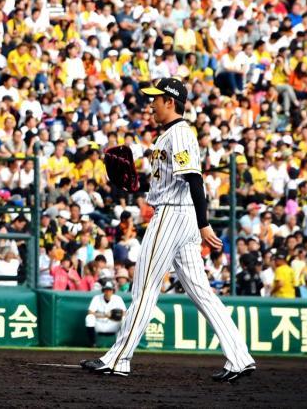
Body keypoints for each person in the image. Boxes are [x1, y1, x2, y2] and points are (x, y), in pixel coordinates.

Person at [81, 78, 256, 382]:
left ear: (170, 101)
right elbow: (174, 181)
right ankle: (240, 358)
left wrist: (203, 224)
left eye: (156, 99)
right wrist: (138, 186)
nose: (151, 104)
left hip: (174, 216)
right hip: (178, 215)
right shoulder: (169, 135)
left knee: (144, 288)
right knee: (201, 292)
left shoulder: (181, 134)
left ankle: (118, 359)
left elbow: (194, 179)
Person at [86, 279, 127, 346]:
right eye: (106, 290)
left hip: (113, 324)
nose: (108, 292)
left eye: (110, 290)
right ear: (103, 290)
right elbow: (90, 312)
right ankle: (92, 344)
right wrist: (105, 315)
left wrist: (113, 315)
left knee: (124, 319)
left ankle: (122, 344)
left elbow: (125, 313)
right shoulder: (97, 298)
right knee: (89, 318)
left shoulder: (118, 298)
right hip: (99, 324)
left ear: (113, 291)